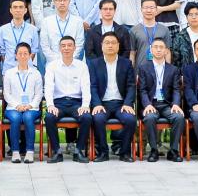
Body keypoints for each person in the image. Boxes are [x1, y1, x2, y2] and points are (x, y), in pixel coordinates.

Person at [88, 32, 137, 163]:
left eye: (113, 43)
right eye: (107, 43)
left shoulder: (126, 63)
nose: (110, 45)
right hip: (102, 104)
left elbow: (131, 86)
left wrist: (127, 103)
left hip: (121, 104)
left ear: (118, 46)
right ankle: (103, 152)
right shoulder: (94, 64)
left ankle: (124, 152)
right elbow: (92, 86)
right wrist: (97, 104)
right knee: (98, 119)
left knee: (130, 120)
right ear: (102, 46)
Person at [44, 36, 93, 163]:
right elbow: (48, 87)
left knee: (87, 117)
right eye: (63, 45)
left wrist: (85, 105)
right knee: (49, 117)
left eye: (69, 45)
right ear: (59, 48)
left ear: (75, 48)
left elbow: (86, 87)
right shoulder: (52, 66)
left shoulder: (82, 66)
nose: (66, 48)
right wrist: (50, 105)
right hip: (58, 103)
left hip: (76, 103)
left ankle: (78, 151)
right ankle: (57, 152)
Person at [138, 38, 185, 162]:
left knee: (178, 117)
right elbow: (142, 90)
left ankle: (173, 151)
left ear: (166, 51)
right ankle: (154, 150)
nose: (158, 50)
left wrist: (176, 104)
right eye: (155, 47)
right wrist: (147, 104)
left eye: (161, 47)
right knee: (149, 117)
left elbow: (176, 89)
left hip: (166, 104)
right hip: (151, 104)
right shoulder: (143, 68)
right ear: (151, 50)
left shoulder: (173, 69)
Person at [4, 42, 44, 163]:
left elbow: (39, 94)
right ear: (15, 55)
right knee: (16, 118)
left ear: (30, 55)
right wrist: (17, 105)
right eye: (20, 53)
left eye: (25, 53)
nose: (22, 56)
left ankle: (29, 151)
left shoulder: (36, 73)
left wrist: (30, 105)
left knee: (27, 117)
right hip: (13, 108)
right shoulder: (9, 73)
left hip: (31, 108)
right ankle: (15, 152)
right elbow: (7, 93)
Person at [130, 0, 170, 69]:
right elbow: (132, 53)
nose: (149, 10)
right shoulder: (134, 30)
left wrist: (168, 71)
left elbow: (167, 52)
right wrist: (131, 71)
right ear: (141, 9)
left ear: (156, 9)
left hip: (160, 70)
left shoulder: (164, 29)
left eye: (152, 8)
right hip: (140, 70)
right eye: (146, 7)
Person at [0, 0, 39, 66]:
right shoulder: (3, 29)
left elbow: (33, 51)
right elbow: (2, 51)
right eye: (15, 7)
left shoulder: (33, 29)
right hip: (9, 68)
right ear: (10, 10)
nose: (18, 10)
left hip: (27, 68)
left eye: (21, 7)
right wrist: (9, 65)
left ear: (25, 10)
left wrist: (25, 64)